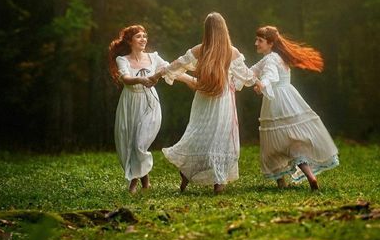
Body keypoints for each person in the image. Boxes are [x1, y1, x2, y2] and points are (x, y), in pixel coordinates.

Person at [151, 12, 255, 194]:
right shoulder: (232, 52)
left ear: (206, 30)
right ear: (224, 29)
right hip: (223, 100)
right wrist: (259, 79)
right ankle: (219, 183)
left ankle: (185, 177)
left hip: (204, 97)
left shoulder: (200, 49)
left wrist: (157, 75)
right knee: (221, 137)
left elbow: (176, 65)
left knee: (200, 133)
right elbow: (246, 77)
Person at [251, 25, 339, 191]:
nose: (256, 43)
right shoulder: (277, 57)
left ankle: (281, 182)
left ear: (270, 43)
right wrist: (236, 72)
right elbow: (252, 71)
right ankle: (310, 177)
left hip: (276, 101)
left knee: (274, 143)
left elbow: (270, 75)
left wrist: (262, 84)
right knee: (294, 143)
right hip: (290, 99)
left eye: (260, 41)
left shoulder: (271, 59)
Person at [108, 24, 168, 194]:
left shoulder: (153, 57)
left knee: (140, 143)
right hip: (130, 102)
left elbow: (168, 69)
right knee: (130, 142)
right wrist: (142, 80)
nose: (144, 39)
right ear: (129, 41)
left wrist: (189, 77)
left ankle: (133, 183)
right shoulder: (123, 60)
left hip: (150, 102)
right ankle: (146, 183)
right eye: (139, 36)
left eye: (145, 36)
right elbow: (126, 79)